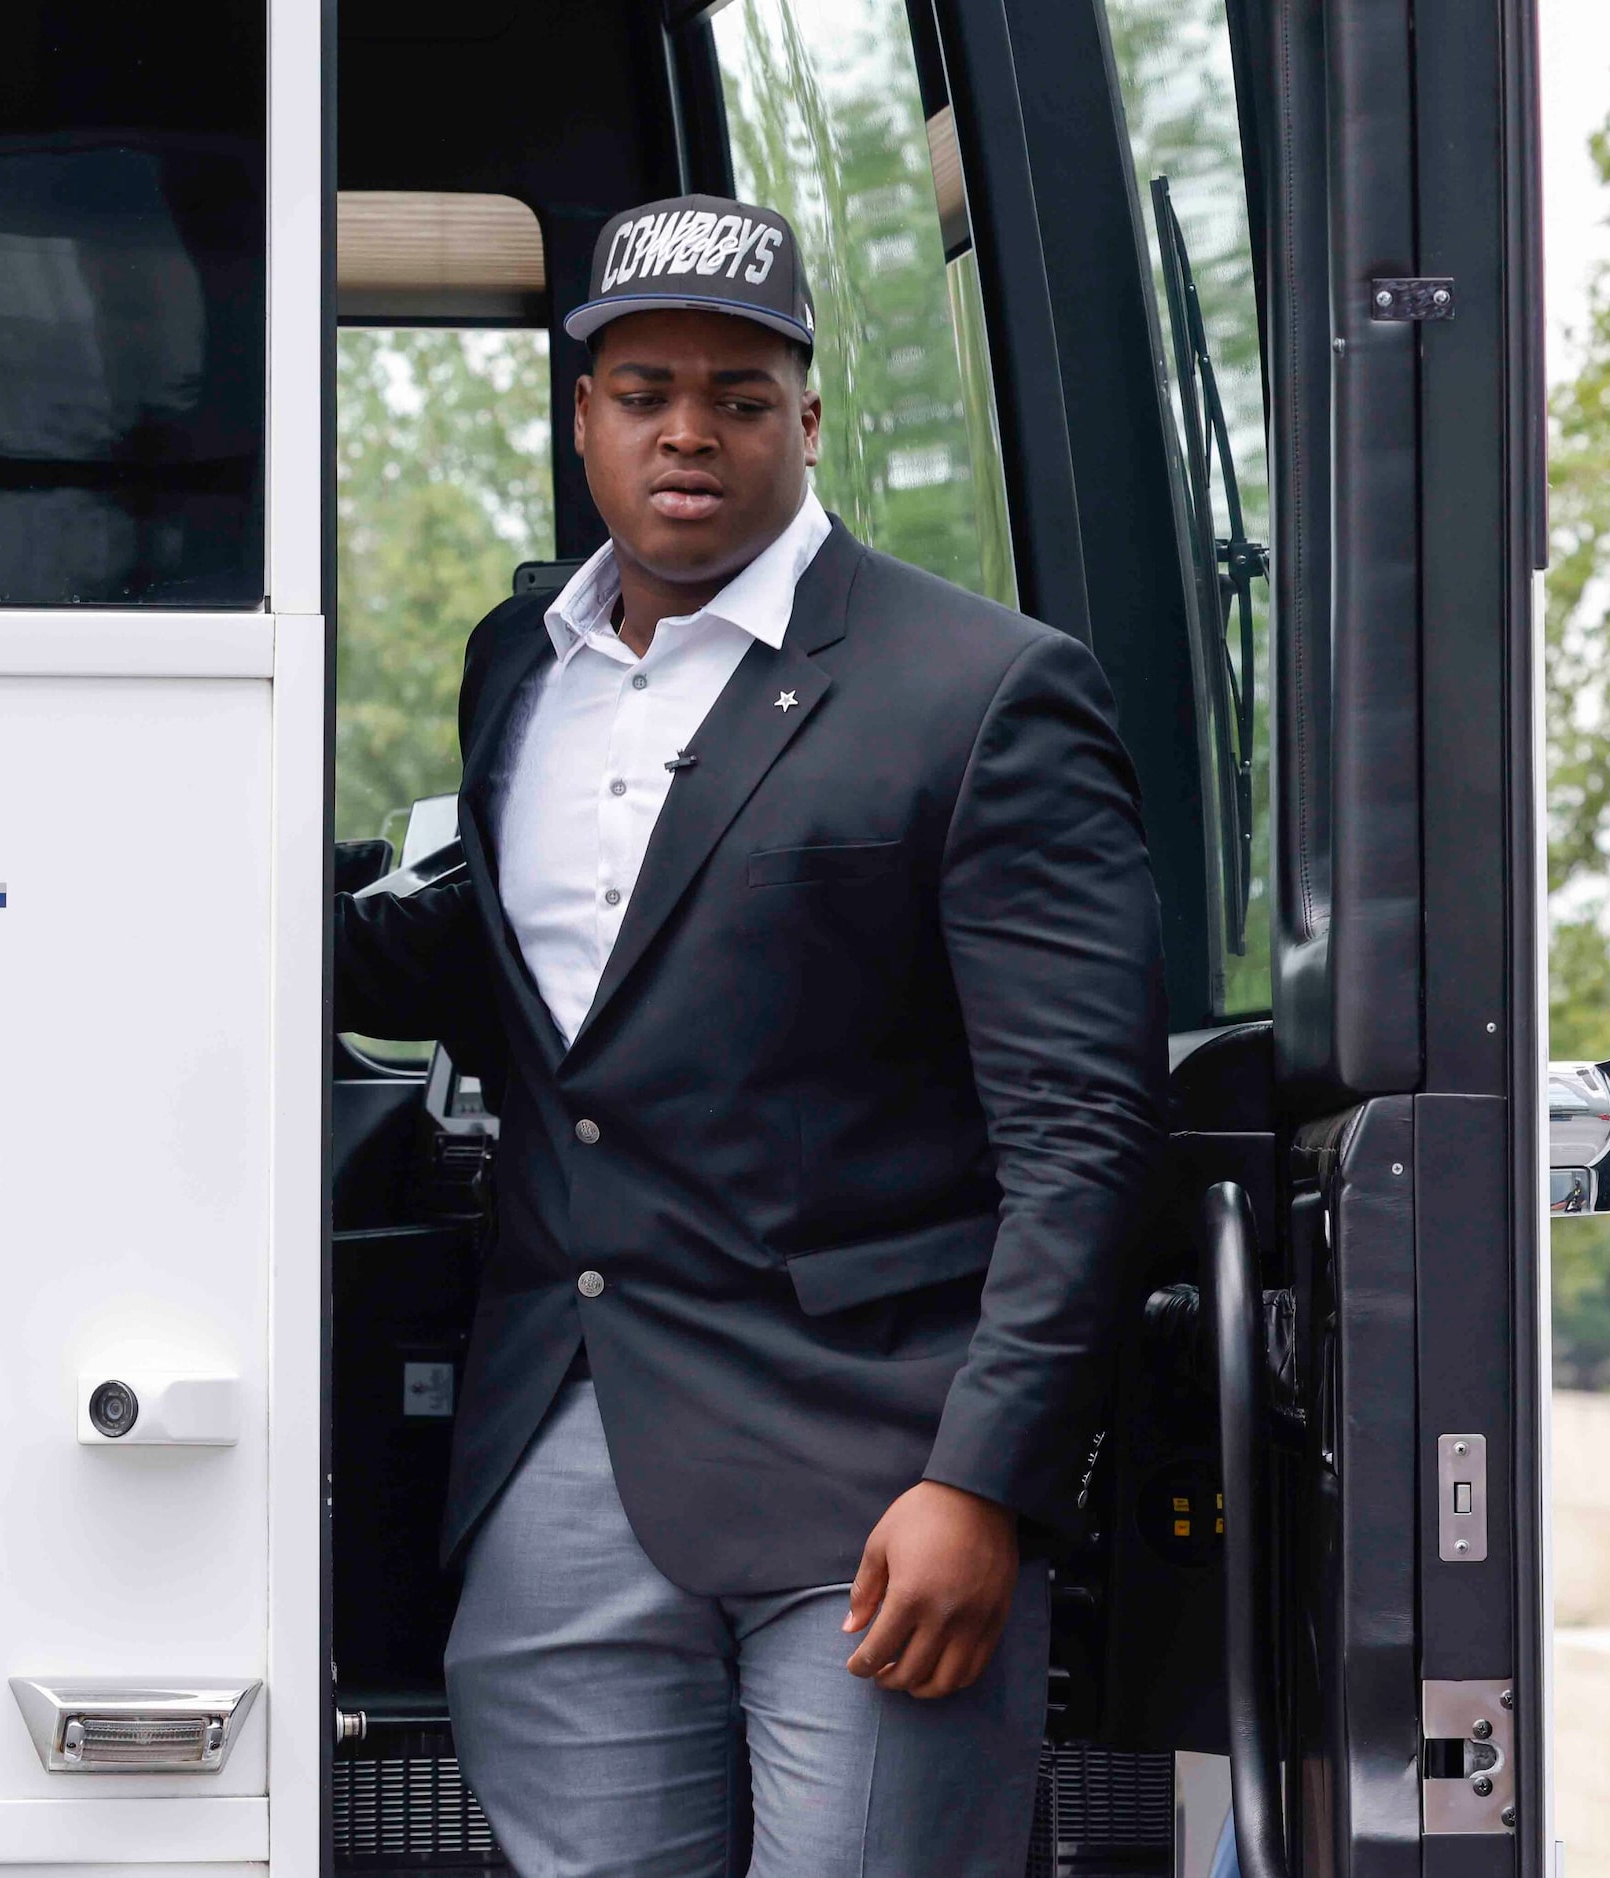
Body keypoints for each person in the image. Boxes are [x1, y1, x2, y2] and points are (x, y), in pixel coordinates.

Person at [335, 192, 1166, 1877]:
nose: (688, 433)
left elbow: (1082, 1132)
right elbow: (535, 974)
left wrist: (985, 1481)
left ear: (805, 413)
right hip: (562, 1447)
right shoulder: (521, 665)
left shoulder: (982, 688)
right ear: (584, 419)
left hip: (867, 1471)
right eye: (643, 392)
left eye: (737, 391)